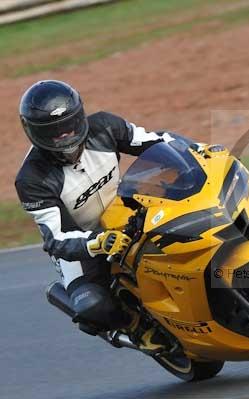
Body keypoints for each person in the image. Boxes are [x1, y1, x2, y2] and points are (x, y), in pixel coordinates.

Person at [15, 80, 172, 352]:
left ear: (80, 116)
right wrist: (96, 243)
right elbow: (56, 238)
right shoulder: (32, 179)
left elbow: (157, 143)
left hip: (128, 210)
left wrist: (195, 150)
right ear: (34, 133)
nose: (64, 136)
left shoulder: (105, 126)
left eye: (68, 125)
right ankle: (135, 326)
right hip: (82, 243)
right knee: (91, 306)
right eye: (53, 131)